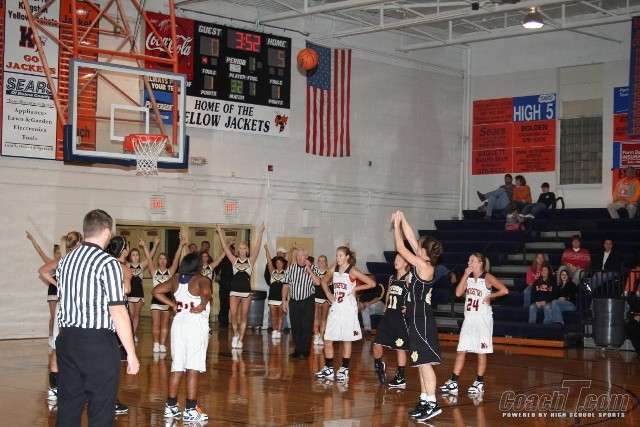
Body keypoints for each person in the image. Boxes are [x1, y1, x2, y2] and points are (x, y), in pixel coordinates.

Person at [54, 209, 139, 426]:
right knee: (101, 408)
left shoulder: (65, 261)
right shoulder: (108, 263)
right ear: (107, 231)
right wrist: (131, 353)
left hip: (67, 339)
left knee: (68, 406)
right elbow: (118, 311)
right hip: (96, 343)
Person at [392, 210, 443, 422]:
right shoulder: (421, 260)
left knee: (425, 363)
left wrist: (396, 227)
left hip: (422, 317)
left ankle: (432, 403)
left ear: (423, 251)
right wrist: (403, 219)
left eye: (419, 246)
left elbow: (401, 247)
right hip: (415, 315)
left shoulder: (424, 266)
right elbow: (412, 238)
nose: (416, 245)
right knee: (420, 361)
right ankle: (424, 400)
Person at [437, 252, 508, 396]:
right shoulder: (468, 278)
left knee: (481, 352)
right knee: (461, 350)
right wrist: (464, 275)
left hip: (482, 319)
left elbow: (504, 290)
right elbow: (458, 293)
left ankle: (479, 383)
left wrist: (490, 296)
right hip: (469, 319)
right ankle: (453, 382)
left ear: (480, 263)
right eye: (469, 260)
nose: (469, 263)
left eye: (472, 260)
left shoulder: (487, 277)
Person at [153, 252, 212, 422]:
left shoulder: (175, 280)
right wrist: (202, 304)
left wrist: (173, 304)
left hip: (178, 323)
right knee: (193, 366)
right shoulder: (201, 279)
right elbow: (206, 292)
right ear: (197, 265)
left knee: (177, 365)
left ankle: (171, 406)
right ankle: (191, 409)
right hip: (195, 323)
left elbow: (156, 291)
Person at [315, 246, 375, 382]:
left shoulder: (352, 270)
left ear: (347, 257)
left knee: (347, 340)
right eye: (337, 255)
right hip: (336, 307)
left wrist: (356, 288)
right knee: (328, 338)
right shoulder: (334, 269)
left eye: (340, 255)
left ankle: (344, 369)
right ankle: (329, 368)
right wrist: (328, 294)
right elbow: (323, 281)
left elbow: (371, 283)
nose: (338, 258)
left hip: (348, 308)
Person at [37, 231, 83, 403]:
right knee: (76, 347)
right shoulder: (78, 261)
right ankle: (72, 385)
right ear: (78, 244)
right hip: (74, 308)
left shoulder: (61, 261)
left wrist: (58, 284)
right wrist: (58, 284)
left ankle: (55, 388)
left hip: (62, 307)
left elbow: (42, 270)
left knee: (58, 348)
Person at [215, 223, 265, 349]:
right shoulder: (234, 260)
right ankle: (236, 334)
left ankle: (241, 339)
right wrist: (220, 232)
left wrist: (260, 232)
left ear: (246, 250)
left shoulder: (250, 260)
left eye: (244, 248)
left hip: (246, 291)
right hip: (234, 291)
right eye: (240, 248)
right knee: (233, 314)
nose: (242, 250)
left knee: (243, 315)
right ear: (238, 250)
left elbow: (258, 247)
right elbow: (225, 248)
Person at [372, 253, 410, 388]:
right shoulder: (392, 277)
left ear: (406, 263)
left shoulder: (408, 278)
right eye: (396, 259)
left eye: (399, 259)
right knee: (377, 343)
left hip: (401, 316)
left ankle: (400, 377)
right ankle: (379, 364)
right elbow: (388, 292)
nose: (396, 261)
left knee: (400, 347)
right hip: (389, 314)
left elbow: (415, 294)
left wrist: (409, 307)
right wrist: (386, 307)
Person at [143, 237, 185, 353]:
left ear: (167, 261)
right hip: (156, 302)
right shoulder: (154, 271)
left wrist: (181, 245)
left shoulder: (170, 272)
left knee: (165, 324)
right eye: (160, 258)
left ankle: (162, 344)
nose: (162, 261)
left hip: (167, 301)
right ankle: (156, 344)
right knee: (156, 324)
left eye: (164, 259)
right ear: (158, 261)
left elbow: (176, 258)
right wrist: (152, 245)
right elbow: (148, 258)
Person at [283, 247, 321, 360]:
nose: (300, 258)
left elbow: (318, 282)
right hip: (294, 301)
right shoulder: (290, 268)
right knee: (295, 327)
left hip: (307, 301)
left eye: (302, 256)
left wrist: (309, 270)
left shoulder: (313, 268)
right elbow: (285, 286)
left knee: (306, 326)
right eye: (298, 256)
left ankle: (305, 351)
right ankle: (297, 350)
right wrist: (284, 301)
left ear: (306, 257)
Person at [26, 231, 62, 346]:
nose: (59, 255)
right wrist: (32, 239)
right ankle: (51, 337)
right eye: (57, 253)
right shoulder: (50, 262)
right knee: (53, 316)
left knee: (61, 316)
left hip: (62, 291)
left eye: (60, 252)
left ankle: (60, 337)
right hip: (53, 290)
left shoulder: (65, 262)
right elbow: (40, 251)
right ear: (54, 254)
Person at [127, 237, 159, 341]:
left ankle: (133, 334)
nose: (135, 257)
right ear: (130, 256)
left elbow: (150, 256)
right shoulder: (127, 265)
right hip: (130, 293)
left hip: (139, 293)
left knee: (136, 315)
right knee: (130, 315)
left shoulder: (141, 266)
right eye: (133, 255)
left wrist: (154, 244)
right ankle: (128, 334)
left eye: (137, 255)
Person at [264, 244, 288, 340]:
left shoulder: (286, 272)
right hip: (272, 297)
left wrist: (291, 249)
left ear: (283, 264)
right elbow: (269, 261)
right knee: (273, 316)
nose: (279, 264)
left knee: (280, 316)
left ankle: (279, 331)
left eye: (280, 262)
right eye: (277, 262)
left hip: (281, 298)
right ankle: (274, 331)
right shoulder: (272, 272)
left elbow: (289, 260)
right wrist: (267, 250)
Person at [214, 243, 235, 328]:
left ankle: (225, 320)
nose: (229, 251)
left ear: (233, 251)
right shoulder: (222, 259)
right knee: (223, 304)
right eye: (227, 250)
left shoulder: (235, 259)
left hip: (233, 285)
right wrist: (217, 274)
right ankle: (223, 321)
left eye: (230, 250)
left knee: (230, 305)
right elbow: (216, 267)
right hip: (223, 284)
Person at [313, 255, 330, 346]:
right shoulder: (314, 272)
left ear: (326, 262)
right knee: (315, 317)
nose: (322, 263)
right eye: (320, 261)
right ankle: (316, 335)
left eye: (323, 261)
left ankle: (321, 336)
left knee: (323, 318)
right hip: (315, 297)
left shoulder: (329, 273)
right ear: (318, 263)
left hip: (325, 298)